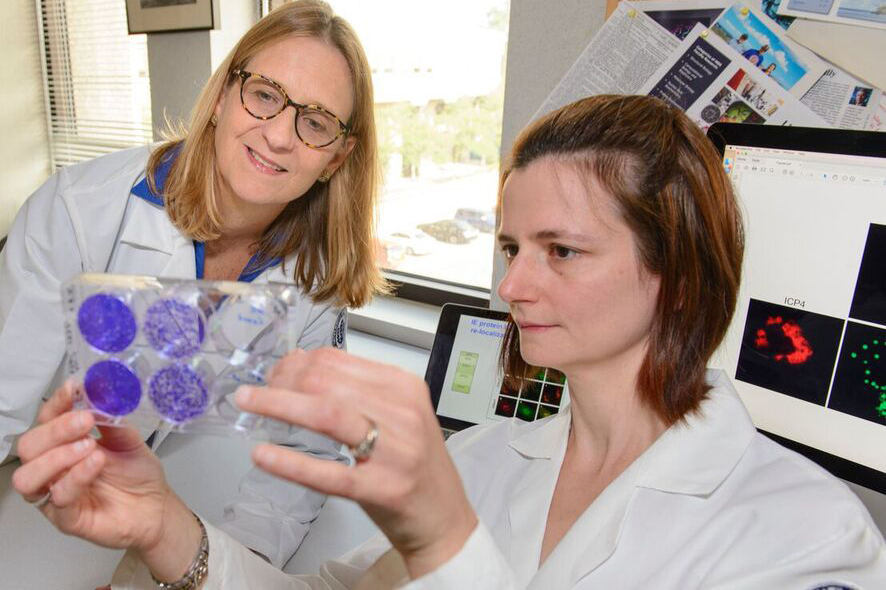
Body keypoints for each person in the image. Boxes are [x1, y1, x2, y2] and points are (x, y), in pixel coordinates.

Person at [14, 95, 886, 589]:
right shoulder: (487, 459)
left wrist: (444, 541)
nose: (512, 286)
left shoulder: (807, 537)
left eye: (562, 252)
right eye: (510, 249)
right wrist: (168, 528)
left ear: (683, 275)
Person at [0, 0, 384, 568]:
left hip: (184, 509)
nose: (280, 135)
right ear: (225, 94)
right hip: (39, 500)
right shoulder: (78, 212)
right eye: (265, 94)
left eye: (317, 122)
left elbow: (308, 445)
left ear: (336, 157)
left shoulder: (316, 279)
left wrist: (226, 567)